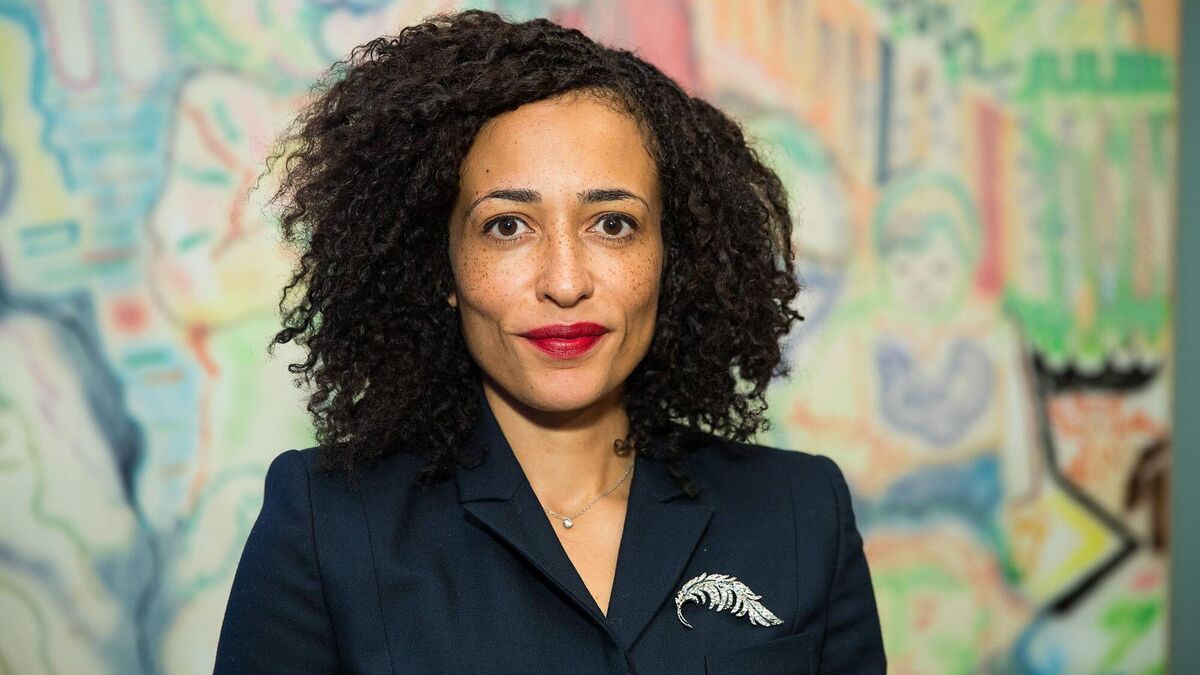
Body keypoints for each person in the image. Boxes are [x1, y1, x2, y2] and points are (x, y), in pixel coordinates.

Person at [213, 9, 885, 674]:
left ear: (671, 257)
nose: (565, 283)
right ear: (441, 267)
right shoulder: (326, 525)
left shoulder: (801, 512)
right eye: (507, 226)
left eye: (613, 224)